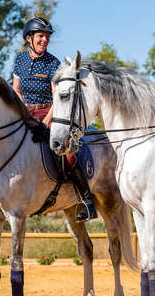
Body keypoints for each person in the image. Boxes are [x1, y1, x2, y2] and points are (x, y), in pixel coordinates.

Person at [12, 17, 97, 222]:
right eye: (41, 36)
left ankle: (87, 200)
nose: (45, 40)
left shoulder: (53, 64)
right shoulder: (20, 60)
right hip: (24, 113)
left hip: (49, 114)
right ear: (29, 38)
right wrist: (23, 115)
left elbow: (57, 97)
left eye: (47, 37)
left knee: (67, 154)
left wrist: (44, 124)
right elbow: (16, 90)